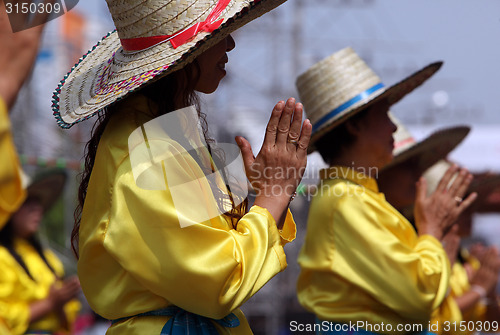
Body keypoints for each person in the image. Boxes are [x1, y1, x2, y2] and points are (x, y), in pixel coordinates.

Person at [52, 0, 311, 334]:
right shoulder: (148, 147)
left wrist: (253, 193)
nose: (230, 43)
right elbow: (218, 280)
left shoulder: (157, 131)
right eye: (218, 32)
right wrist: (274, 194)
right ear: (186, 53)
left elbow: (206, 246)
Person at [295, 47, 476, 334]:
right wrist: (430, 232)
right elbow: (418, 296)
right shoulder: (345, 200)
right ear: (354, 125)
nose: (394, 126)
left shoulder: (354, 196)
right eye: (385, 114)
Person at [0, 169, 81, 335]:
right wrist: (50, 303)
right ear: (8, 209)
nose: (37, 208)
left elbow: (68, 318)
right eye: (28, 201)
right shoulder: (2, 256)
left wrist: (60, 302)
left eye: (38, 202)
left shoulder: (48, 258)